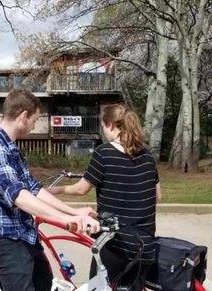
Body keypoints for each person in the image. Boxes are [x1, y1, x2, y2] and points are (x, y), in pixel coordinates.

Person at [0, 89, 100, 291]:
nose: (34, 125)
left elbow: (34, 189)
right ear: (23, 116)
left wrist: (75, 212)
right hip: (2, 237)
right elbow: (19, 196)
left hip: (22, 234)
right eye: (35, 119)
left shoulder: (11, 149)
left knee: (45, 283)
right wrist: (65, 220)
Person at [49, 104, 161, 291]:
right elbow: (158, 195)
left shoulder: (104, 152)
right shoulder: (147, 155)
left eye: (103, 127)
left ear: (110, 125)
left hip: (115, 244)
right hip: (145, 246)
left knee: (99, 287)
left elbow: (81, 189)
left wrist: (57, 190)